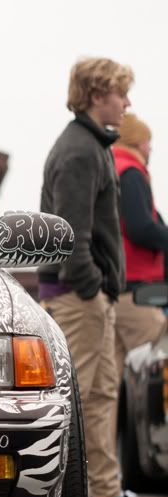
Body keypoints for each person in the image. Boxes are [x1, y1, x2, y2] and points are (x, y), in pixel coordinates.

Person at [37, 57, 153, 497]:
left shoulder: (94, 144)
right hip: (78, 294)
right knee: (81, 394)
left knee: (102, 393)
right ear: (96, 95)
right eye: (121, 93)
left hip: (91, 294)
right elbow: (71, 235)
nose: (128, 102)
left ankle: (103, 489)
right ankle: (65, 496)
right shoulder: (80, 152)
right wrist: (92, 289)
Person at [112, 113, 168, 415]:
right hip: (136, 293)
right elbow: (139, 227)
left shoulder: (111, 168)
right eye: (148, 141)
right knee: (159, 360)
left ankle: (106, 446)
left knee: (109, 387)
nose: (150, 149)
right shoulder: (131, 173)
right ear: (136, 141)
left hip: (114, 289)